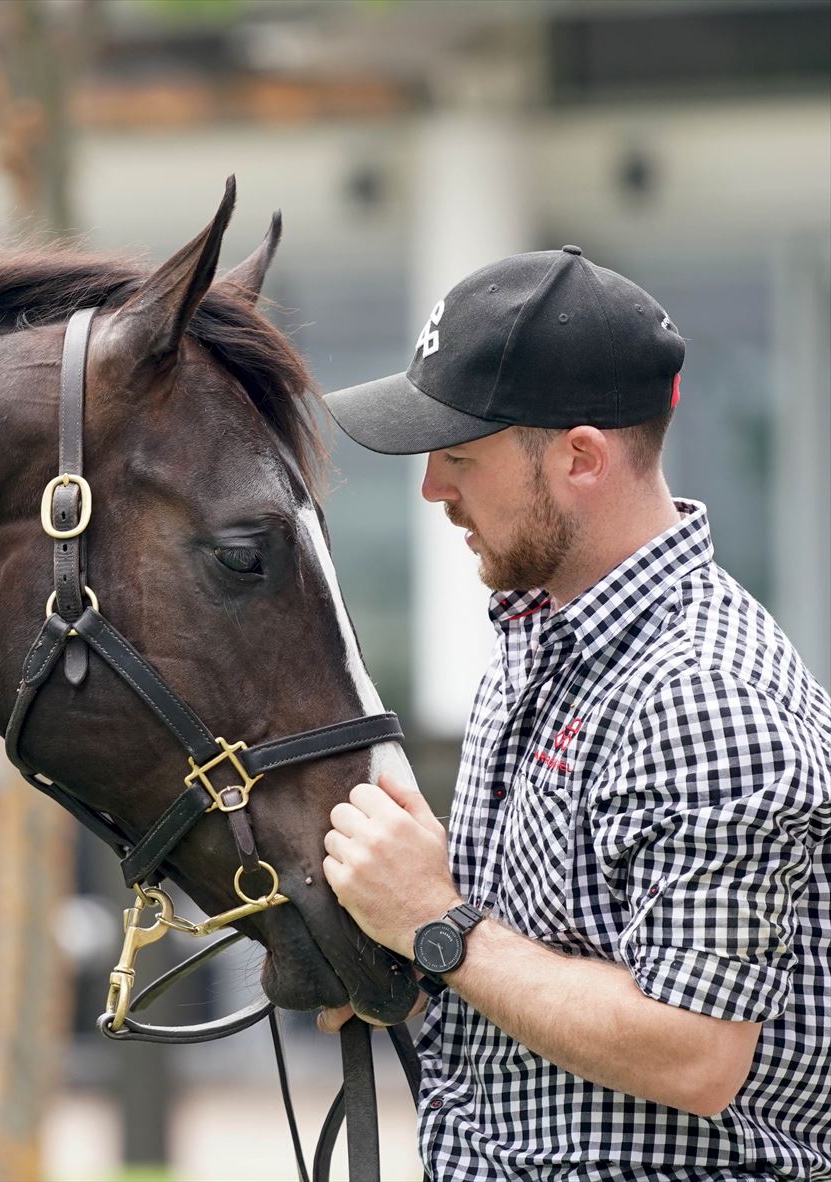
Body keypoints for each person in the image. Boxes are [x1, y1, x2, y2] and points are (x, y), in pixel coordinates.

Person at [313, 245, 831, 1180]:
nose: (432, 490)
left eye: (459, 456)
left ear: (579, 458)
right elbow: (535, 969)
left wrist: (435, 920)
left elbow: (695, 1053)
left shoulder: (702, 692)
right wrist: (404, 955)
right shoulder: (535, 638)